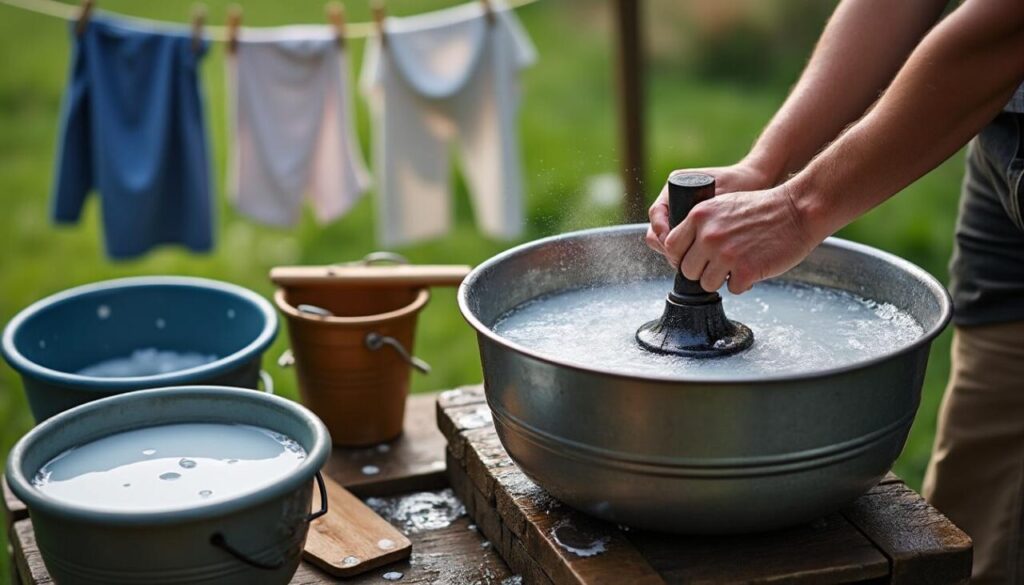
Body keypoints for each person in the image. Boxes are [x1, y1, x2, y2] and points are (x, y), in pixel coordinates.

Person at [644, 1, 1024, 583]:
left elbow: (1006, 25)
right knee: (977, 515)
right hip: (1006, 145)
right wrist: (766, 169)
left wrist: (799, 209)